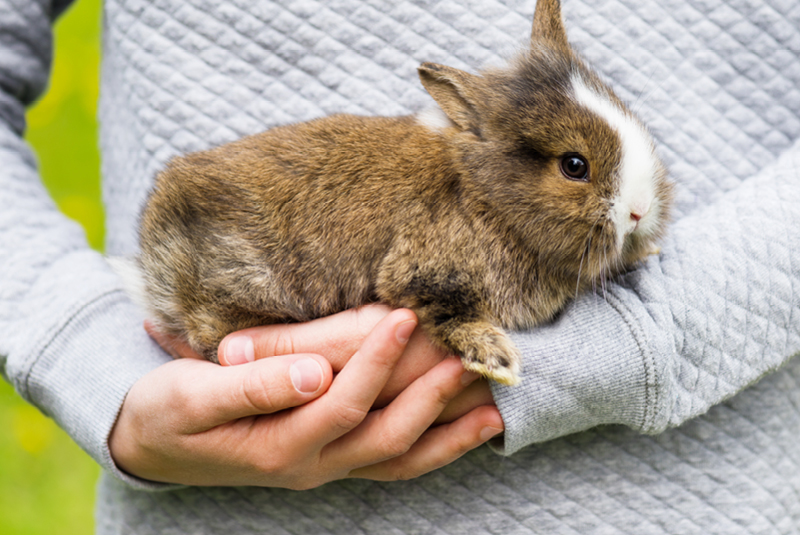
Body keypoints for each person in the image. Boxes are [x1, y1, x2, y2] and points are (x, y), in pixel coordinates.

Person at [2, 0, 800, 533]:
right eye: (575, 170)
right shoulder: (462, 207)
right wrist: (92, 360)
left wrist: (650, 329)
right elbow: (430, 282)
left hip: (701, 494)